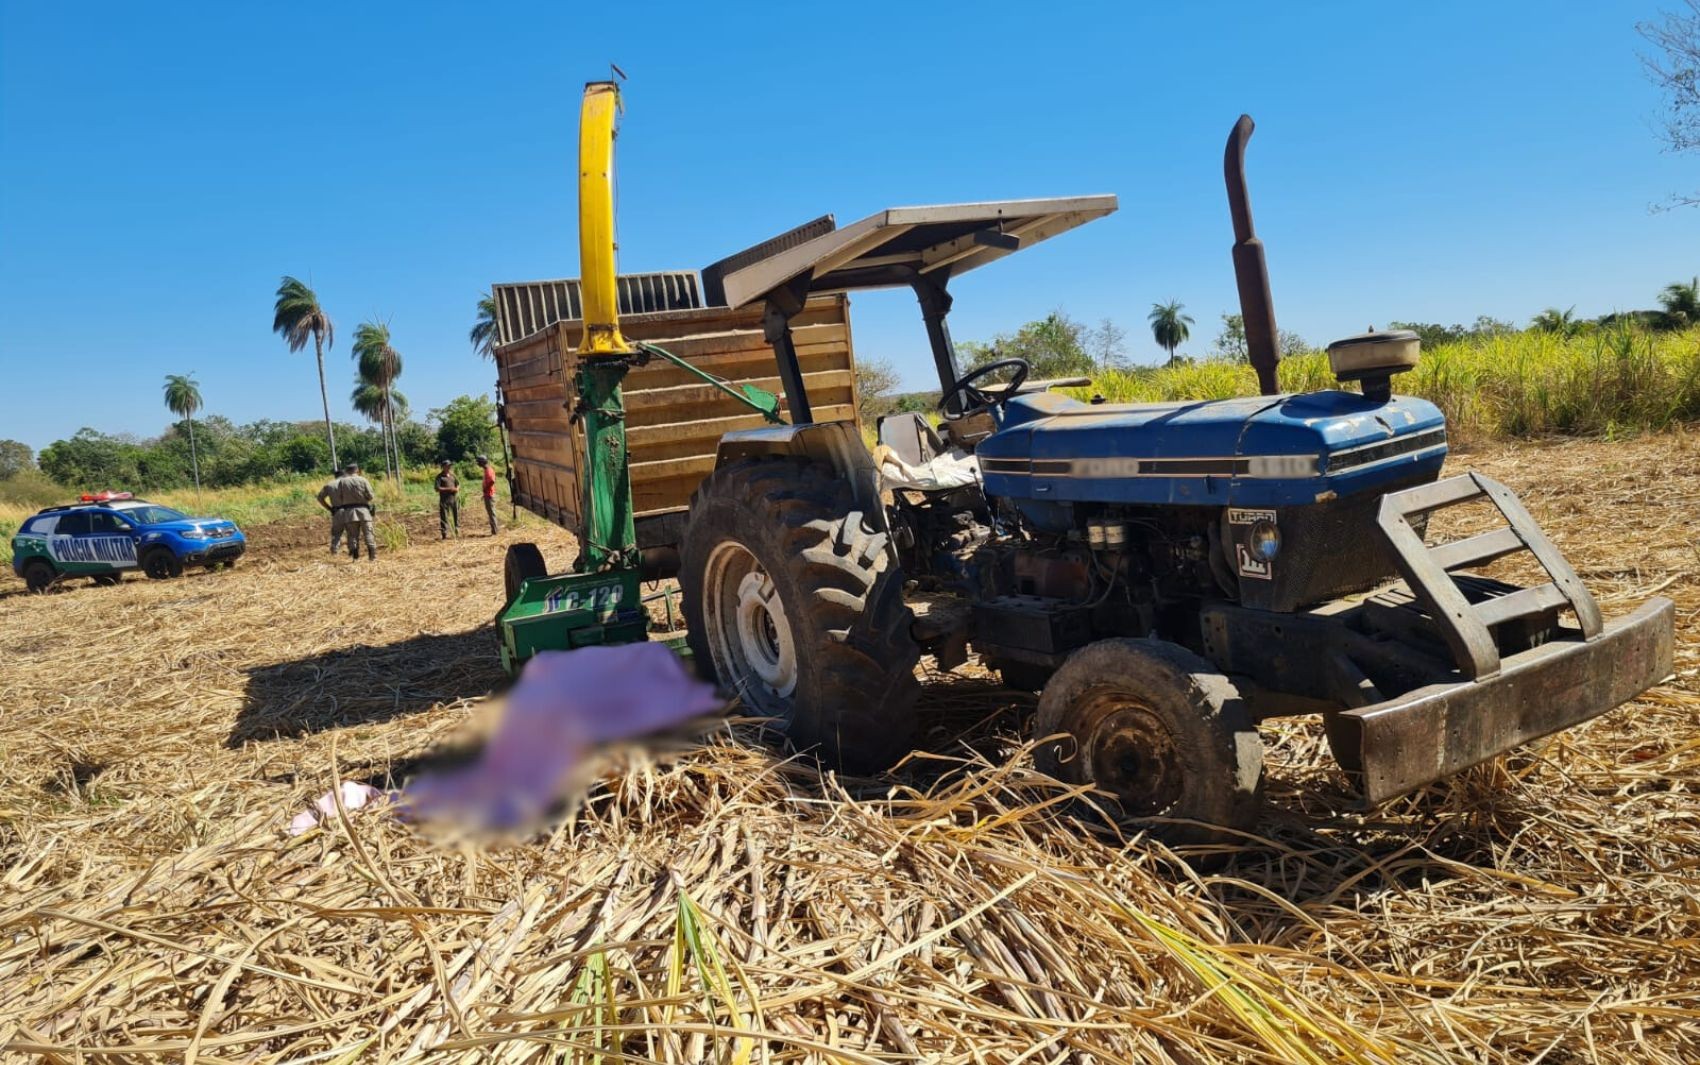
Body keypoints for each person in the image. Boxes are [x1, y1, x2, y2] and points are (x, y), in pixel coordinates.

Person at [316, 462, 377, 561]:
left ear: (347, 471)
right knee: (368, 533)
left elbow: (339, 497)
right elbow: (370, 496)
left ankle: (355, 558)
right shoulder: (363, 480)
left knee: (353, 536)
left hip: (349, 512)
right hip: (364, 511)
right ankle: (372, 558)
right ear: (357, 470)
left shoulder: (342, 482)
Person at [435, 459, 460, 539]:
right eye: (447, 466)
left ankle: (456, 531)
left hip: (453, 499)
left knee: (455, 516)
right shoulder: (439, 477)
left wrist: (457, 489)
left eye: (450, 466)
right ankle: (444, 534)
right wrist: (449, 489)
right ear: (443, 467)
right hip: (444, 500)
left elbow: (458, 484)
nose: (449, 468)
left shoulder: (452, 475)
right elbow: (437, 488)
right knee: (444, 517)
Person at [478, 454, 500, 535]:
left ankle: (495, 531)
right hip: (488, 494)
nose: (478, 464)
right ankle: (494, 530)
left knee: (492, 513)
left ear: (483, 462)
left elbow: (492, 481)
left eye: (479, 462)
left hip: (490, 495)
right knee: (491, 513)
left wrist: (485, 488)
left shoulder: (488, 470)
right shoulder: (486, 469)